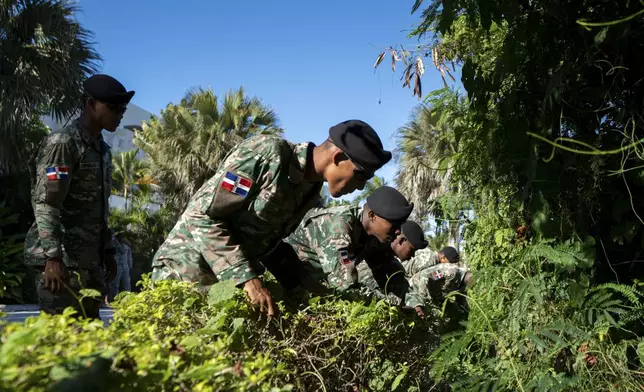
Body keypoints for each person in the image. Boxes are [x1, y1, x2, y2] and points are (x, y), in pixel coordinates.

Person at [151, 120, 392, 317]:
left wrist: (306, 292)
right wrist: (247, 280)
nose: (361, 187)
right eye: (361, 176)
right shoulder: (267, 154)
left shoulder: (309, 191)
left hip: (225, 285)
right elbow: (202, 216)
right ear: (338, 157)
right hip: (186, 271)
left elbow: (269, 246)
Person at [24, 74, 134, 319]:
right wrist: (52, 258)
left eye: (123, 108)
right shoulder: (63, 143)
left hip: (90, 262)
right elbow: (46, 202)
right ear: (90, 103)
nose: (120, 113)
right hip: (61, 263)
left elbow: (98, 207)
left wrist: (108, 251)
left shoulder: (101, 149)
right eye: (114, 107)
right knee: (62, 341)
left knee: (90, 344)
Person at [280, 186, 414, 297]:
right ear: (372, 216)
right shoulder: (337, 225)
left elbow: (389, 269)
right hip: (286, 283)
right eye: (394, 224)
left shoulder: (374, 235)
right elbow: (345, 285)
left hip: (313, 286)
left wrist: (409, 299)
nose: (397, 231)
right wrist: (384, 303)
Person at [356, 220, 429, 314]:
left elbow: (403, 287)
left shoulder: (392, 262)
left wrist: (416, 304)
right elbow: (363, 288)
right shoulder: (370, 250)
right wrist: (394, 304)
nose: (413, 256)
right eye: (411, 250)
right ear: (401, 241)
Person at [107, 232, 132, 301]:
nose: (123, 238)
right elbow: (122, 251)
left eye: (123, 237)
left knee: (126, 284)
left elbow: (129, 256)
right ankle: (114, 299)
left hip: (125, 267)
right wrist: (116, 241)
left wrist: (130, 265)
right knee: (115, 284)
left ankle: (128, 299)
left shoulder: (127, 246)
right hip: (117, 266)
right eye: (121, 237)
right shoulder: (114, 245)